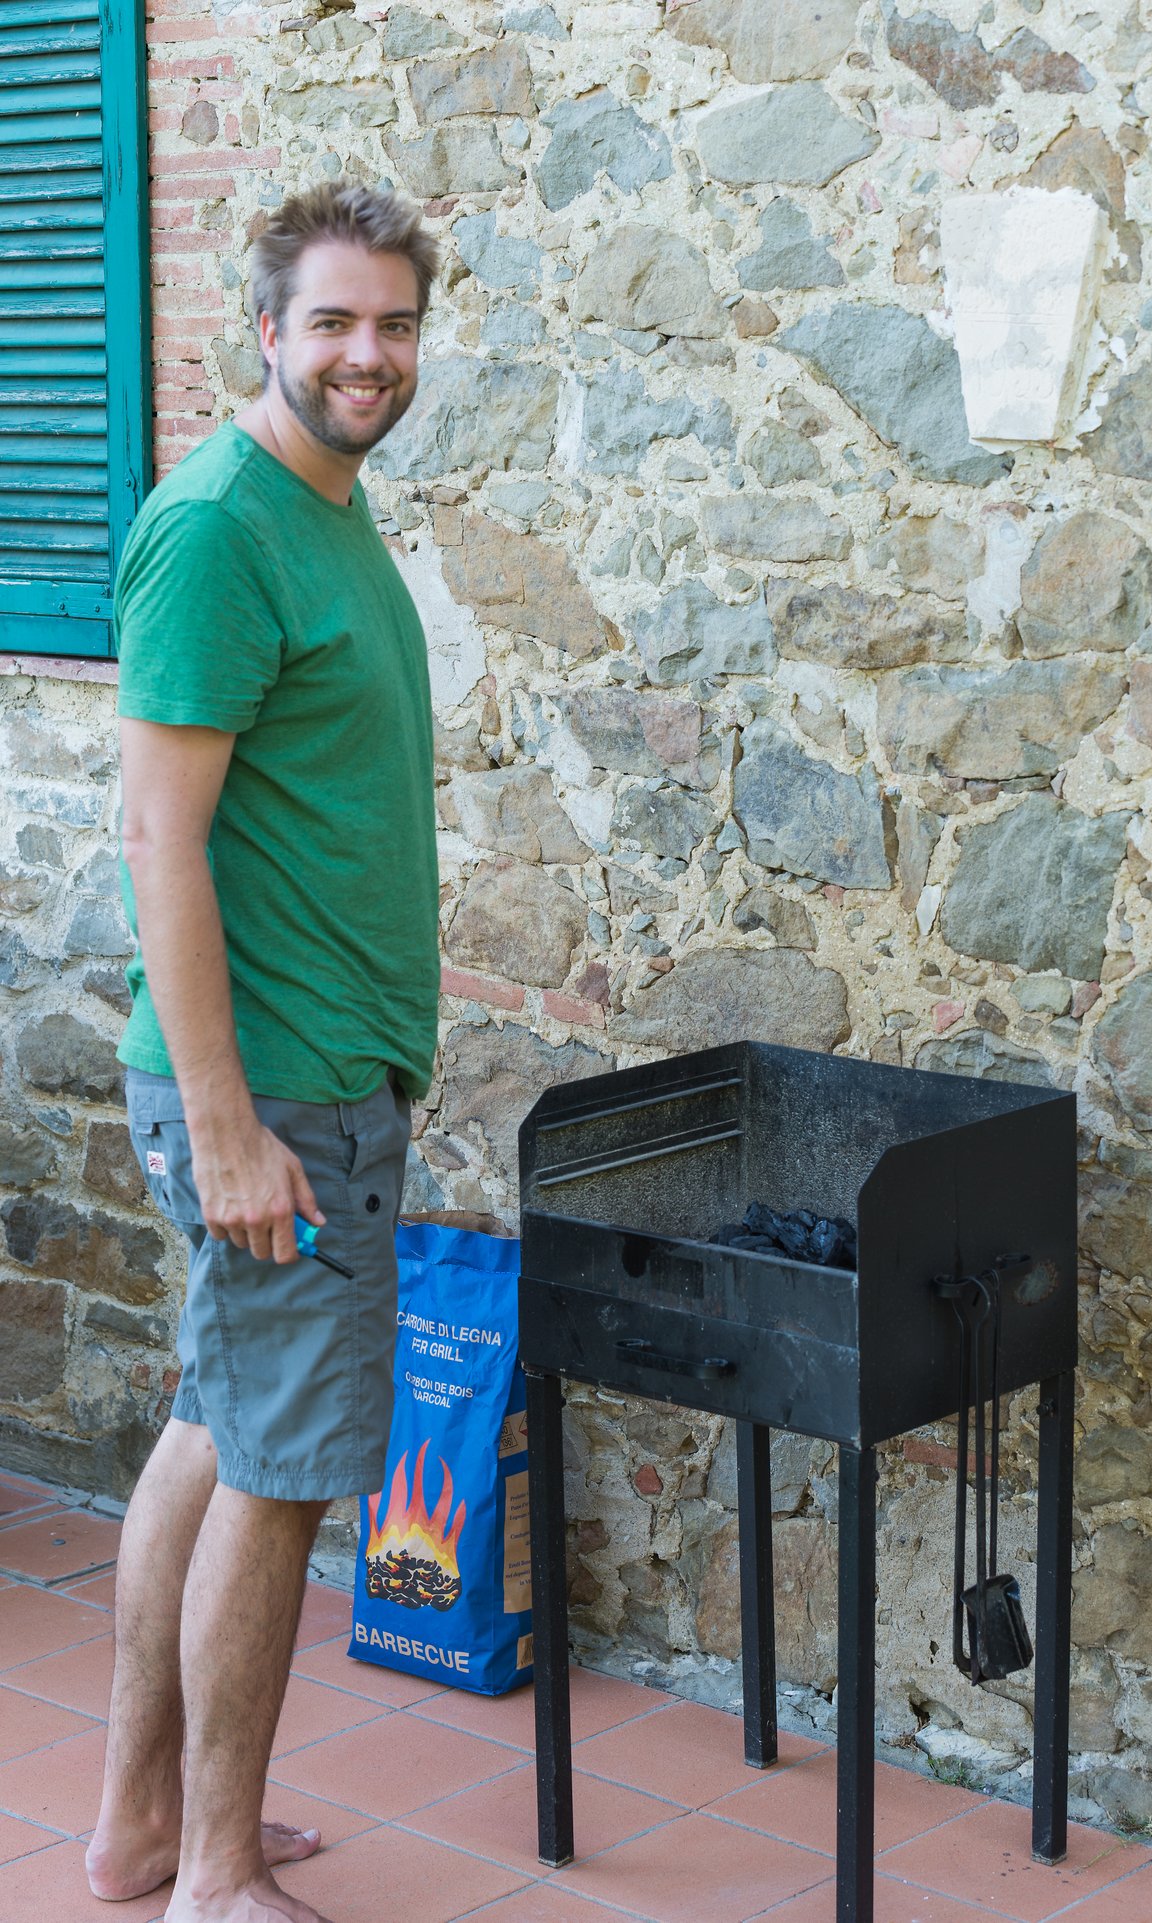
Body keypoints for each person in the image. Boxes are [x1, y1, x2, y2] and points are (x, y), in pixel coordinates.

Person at [86, 183, 441, 1923]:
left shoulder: (325, 507)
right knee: (288, 1478)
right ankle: (214, 1881)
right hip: (275, 1091)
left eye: (391, 325)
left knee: (218, 1435)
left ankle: (138, 1829)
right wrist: (228, 1126)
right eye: (331, 323)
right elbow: (159, 841)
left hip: (317, 1073)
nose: (365, 354)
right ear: (265, 329)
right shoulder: (222, 524)